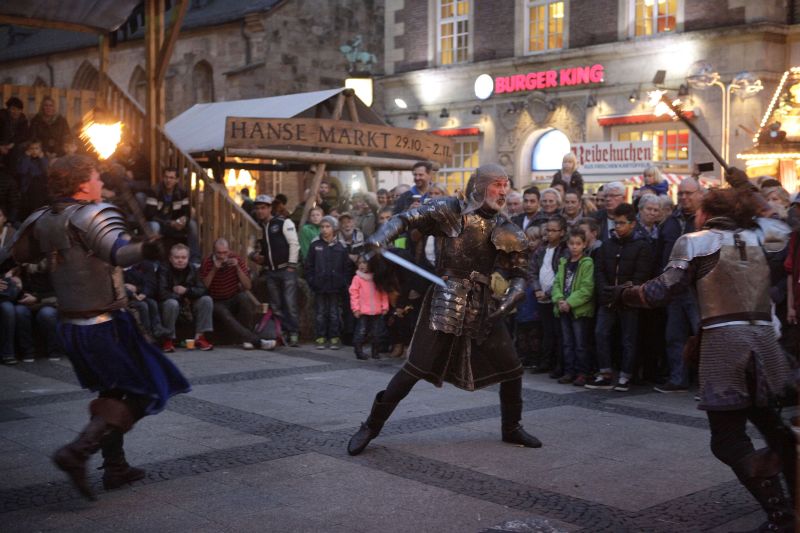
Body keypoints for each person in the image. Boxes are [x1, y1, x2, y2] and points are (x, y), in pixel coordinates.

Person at [614, 184, 797, 532]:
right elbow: (785, 223)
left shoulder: (696, 241)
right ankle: (790, 501)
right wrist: (752, 193)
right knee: (773, 427)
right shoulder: (763, 237)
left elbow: (661, 290)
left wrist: (626, 294)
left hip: (726, 345)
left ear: (706, 213)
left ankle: (781, 514)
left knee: (728, 439)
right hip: (764, 342)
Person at [9, 153, 190, 499]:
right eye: (96, 177)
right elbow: (118, 253)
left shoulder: (42, 219)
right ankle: (77, 452)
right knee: (149, 387)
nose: (101, 182)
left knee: (113, 391)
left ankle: (115, 467)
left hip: (73, 325)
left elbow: (11, 256)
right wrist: (146, 249)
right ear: (81, 184)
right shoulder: (94, 214)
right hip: (104, 325)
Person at [347, 163, 541, 456]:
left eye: (506, 185)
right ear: (479, 186)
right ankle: (370, 426)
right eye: (497, 185)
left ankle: (511, 427)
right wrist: (380, 237)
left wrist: (507, 301)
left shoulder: (508, 229)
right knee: (414, 369)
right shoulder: (451, 210)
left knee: (512, 368)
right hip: (446, 298)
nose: (503, 192)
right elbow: (405, 218)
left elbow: (520, 273)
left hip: (483, 304)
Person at [586, 203, 653, 391]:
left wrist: (623, 292)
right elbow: (599, 270)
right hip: (608, 298)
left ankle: (626, 375)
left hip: (629, 299)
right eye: (616, 223)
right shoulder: (607, 244)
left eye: (622, 223)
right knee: (601, 333)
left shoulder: (642, 245)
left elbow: (641, 275)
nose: (618, 227)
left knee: (628, 338)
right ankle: (605, 372)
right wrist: (605, 290)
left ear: (632, 224)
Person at [656, 177, 704, 393]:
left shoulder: (706, 220)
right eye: (681, 193)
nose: (684, 197)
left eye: (688, 193)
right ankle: (678, 379)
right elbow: (660, 253)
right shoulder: (670, 221)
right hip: (673, 287)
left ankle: (707, 383)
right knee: (674, 336)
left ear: (699, 194)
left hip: (698, 289)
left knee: (702, 336)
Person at [200, 238, 275, 350]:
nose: (222, 256)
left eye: (225, 252)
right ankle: (256, 341)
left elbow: (248, 286)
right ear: (214, 252)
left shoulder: (236, 259)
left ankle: (247, 339)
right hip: (216, 300)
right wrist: (214, 269)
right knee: (225, 314)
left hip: (233, 297)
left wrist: (238, 268)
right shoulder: (207, 262)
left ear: (229, 251)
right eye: (219, 253)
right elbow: (204, 286)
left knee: (244, 298)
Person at [249, 194, 301, 347]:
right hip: (271, 271)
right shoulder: (260, 228)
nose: (260, 211)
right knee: (276, 305)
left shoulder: (283, 222)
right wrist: (252, 255)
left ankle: (294, 332)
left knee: (290, 303)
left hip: (286, 269)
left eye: (263, 208)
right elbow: (255, 250)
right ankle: (281, 331)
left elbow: (294, 244)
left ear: (270, 208)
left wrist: (291, 265)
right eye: (258, 208)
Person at [552, 227, 595, 387]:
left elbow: (587, 289)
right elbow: (557, 283)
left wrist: (569, 302)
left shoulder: (587, 263)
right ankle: (569, 371)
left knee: (580, 344)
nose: (574, 247)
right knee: (567, 343)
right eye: (571, 243)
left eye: (578, 243)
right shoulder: (564, 262)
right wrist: (559, 300)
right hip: (563, 308)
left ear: (584, 245)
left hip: (578, 310)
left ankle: (582, 372)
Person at [306, 216, 353, 349]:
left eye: (328, 227)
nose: (324, 229)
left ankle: (334, 337)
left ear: (334, 228)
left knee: (334, 312)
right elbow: (309, 265)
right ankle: (320, 337)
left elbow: (346, 267)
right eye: (322, 227)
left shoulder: (341, 246)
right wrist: (312, 281)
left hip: (335, 286)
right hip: (319, 285)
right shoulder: (315, 245)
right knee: (320, 312)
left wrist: (343, 282)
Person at [530, 215, 568, 375]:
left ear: (562, 232)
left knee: (559, 332)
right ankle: (545, 362)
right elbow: (532, 270)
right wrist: (537, 289)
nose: (549, 233)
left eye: (554, 230)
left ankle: (559, 365)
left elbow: (562, 276)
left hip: (556, 297)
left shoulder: (564, 250)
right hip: (541, 297)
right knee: (546, 331)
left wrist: (548, 293)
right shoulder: (541, 249)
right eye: (548, 230)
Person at [159, 243, 214, 352]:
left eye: (184, 257)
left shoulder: (193, 268)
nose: (180, 260)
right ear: (170, 258)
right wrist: (177, 295)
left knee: (206, 300)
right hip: (169, 304)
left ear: (188, 258)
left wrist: (186, 291)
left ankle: (200, 337)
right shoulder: (163, 269)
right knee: (172, 303)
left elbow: (202, 289)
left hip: (189, 302)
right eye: (177, 257)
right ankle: (168, 339)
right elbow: (161, 292)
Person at [144, 167, 200, 264]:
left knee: (192, 224)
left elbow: (187, 213)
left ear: (177, 180)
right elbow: (150, 215)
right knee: (154, 226)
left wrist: (183, 220)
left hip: (175, 224)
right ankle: (154, 262)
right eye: (166, 177)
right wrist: (169, 223)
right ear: (163, 178)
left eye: (171, 178)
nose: (168, 180)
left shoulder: (182, 192)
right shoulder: (154, 191)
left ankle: (195, 260)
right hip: (160, 223)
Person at [349, 255, 390, 360]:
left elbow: (383, 292)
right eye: (359, 263)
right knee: (361, 331)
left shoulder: (377, 277)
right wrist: (355, 309)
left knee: (376, 332)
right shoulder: (357, 278)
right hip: (363, 311)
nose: (362, 265)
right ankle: (358, 351)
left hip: (377, 311)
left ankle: (375, 352)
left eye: (365, 262)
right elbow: (354, 294)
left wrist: (385, 306)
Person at [516, 225, 542, 370]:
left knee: (534, 330)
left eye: (534, 239)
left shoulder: (540, 255)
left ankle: (535, 357)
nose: (531, 243)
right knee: (522, 328)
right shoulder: (522, 255)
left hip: (533, 294)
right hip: (524, 294)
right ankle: (524, 356)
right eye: (528, 240)